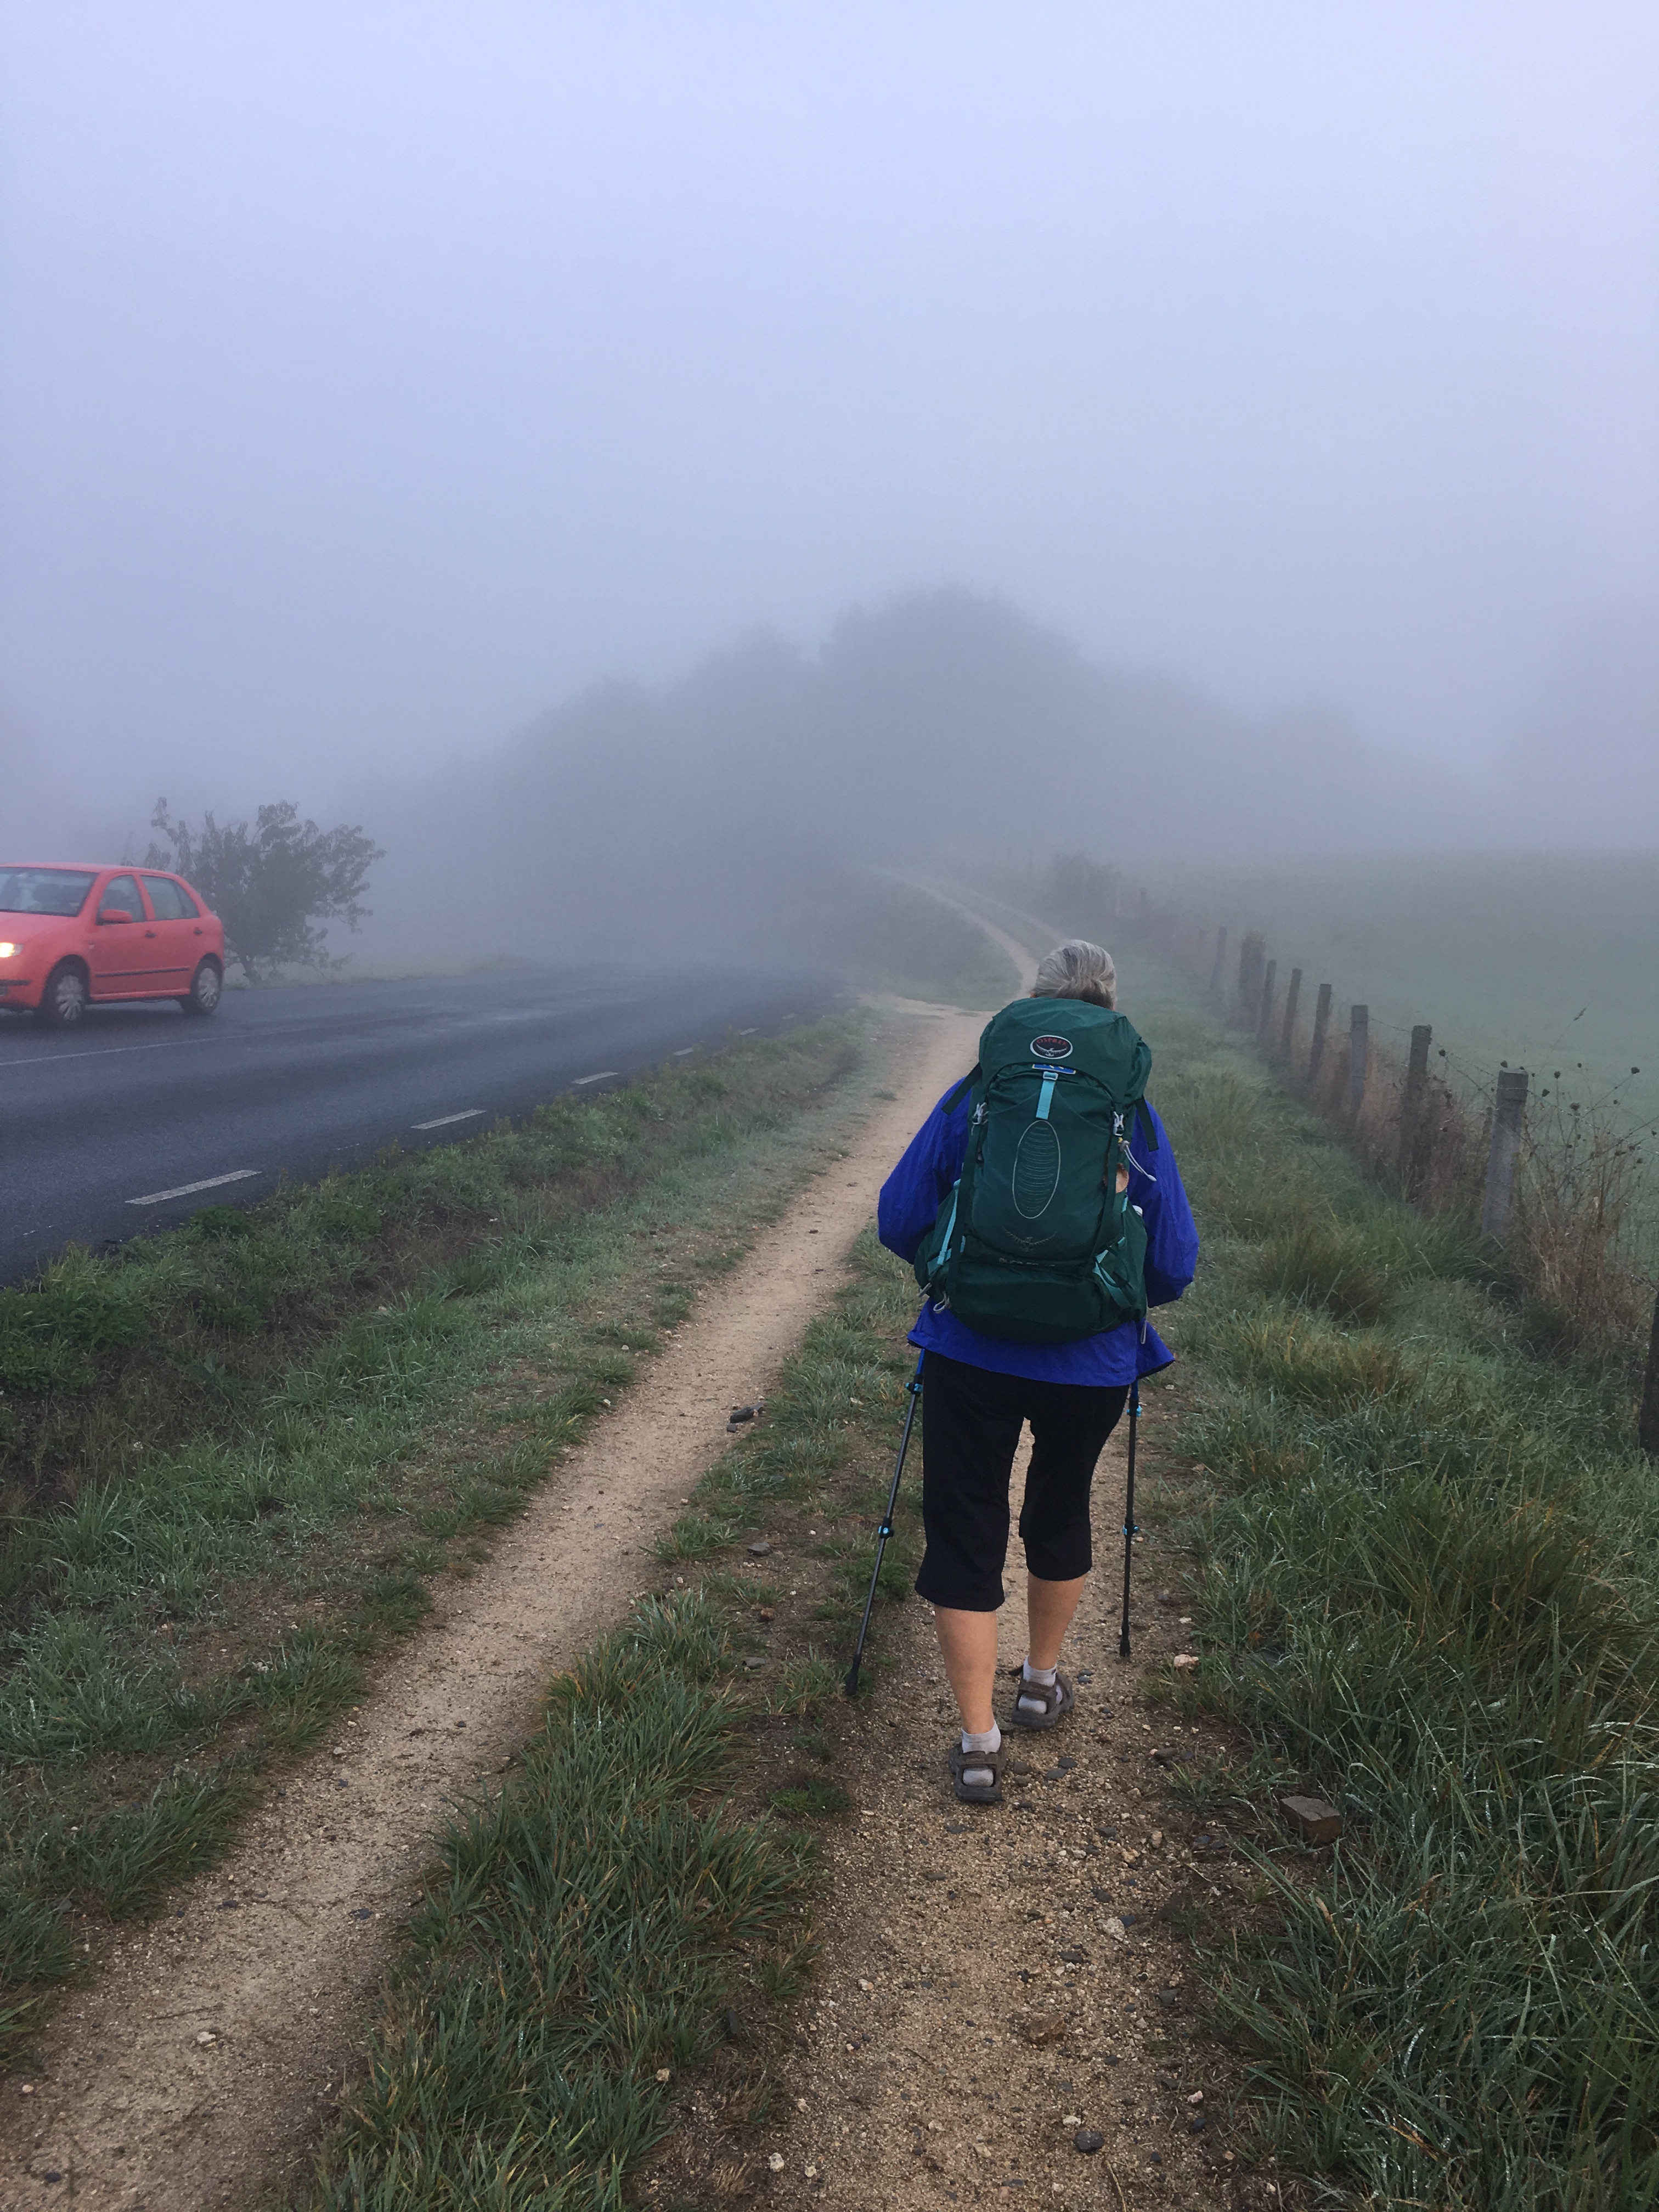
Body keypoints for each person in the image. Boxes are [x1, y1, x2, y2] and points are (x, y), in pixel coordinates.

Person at [877, 939, 1199, 1804]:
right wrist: (1108, 1297)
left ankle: (978, 1742)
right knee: (1060, 1506)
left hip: (970, 1348)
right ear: (1110, 1008)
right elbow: (1174, 1261)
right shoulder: (1133, 1115)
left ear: (1034, 999)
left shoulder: (979, 1094)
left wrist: (960, 1275)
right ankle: (1039, 1682)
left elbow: (899, 1216)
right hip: (1091, 1364)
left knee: (966, 1525)